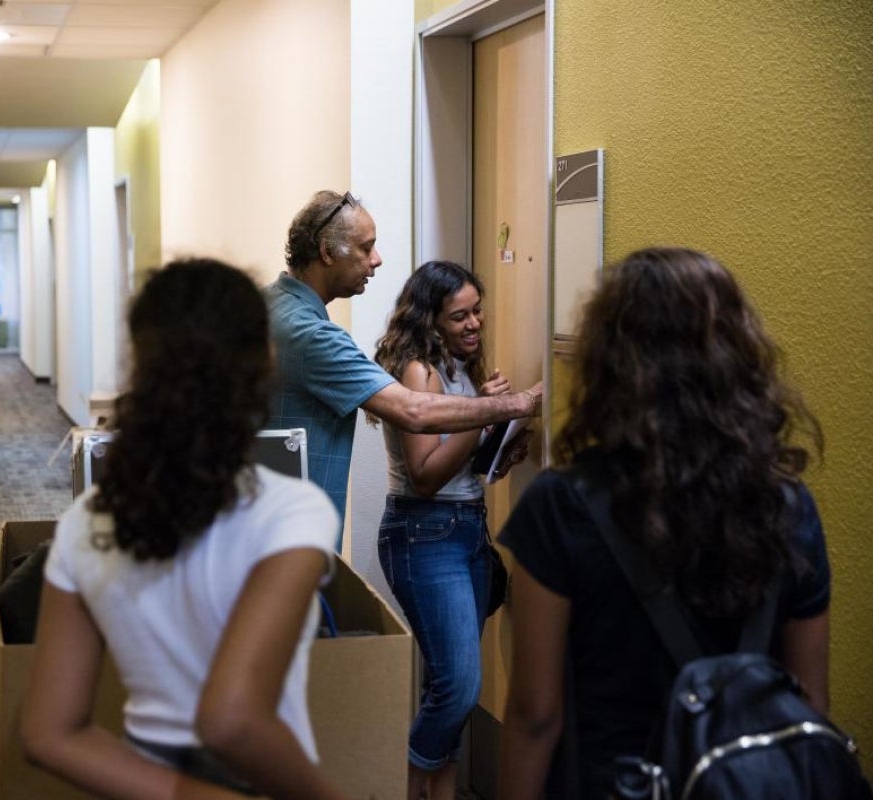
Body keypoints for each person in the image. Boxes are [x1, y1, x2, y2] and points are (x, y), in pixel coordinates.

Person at [496, 247, 829, 799]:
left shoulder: (562, 506)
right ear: (737, 356)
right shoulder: (789, 508)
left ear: (608, 363)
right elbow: (811, 702)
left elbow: (535, 714)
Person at [21, 258, 351, 799]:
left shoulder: (88, 519)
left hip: (141, 778)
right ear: (263, 361)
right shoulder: (292, 513)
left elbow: (48, 733)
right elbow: (232, 720)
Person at [266, 190, 542, 530]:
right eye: (365, 248)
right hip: (290, 536)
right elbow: (415, 411)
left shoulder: (269, 306)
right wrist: (523, 402)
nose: (377, 259)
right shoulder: (310, 333)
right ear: (326, 252)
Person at [372, 261, 522, 800]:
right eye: (459, 316)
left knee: (445, 685)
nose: (474, 323)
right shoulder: (419, 372)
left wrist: (498, 448)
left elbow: (465, 469)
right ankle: (399, 785)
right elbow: (427, 475)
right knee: (460, 688)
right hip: (424, 532)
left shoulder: (461, 369)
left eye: (477, 310)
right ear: (430, 320)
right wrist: (484, 413)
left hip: (466, 531)